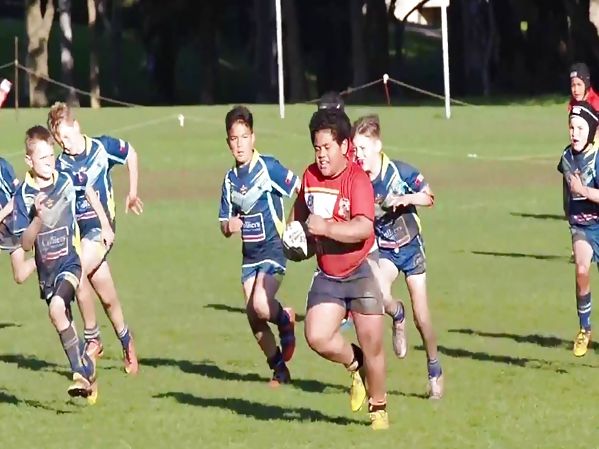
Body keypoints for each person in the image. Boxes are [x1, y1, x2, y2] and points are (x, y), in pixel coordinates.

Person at [291, 108, 388, 430]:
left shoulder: (357, 180)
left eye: (327, 148)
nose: (321, 155)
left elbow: (363, 227)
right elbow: (300, 218)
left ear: (344, 146)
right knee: (317, 336)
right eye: (316, 148)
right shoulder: (309, 177)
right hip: (328, 273)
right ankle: (354, 363)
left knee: (373, 344)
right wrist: (296, 241)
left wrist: (327, 228)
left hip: (360, 269)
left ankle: (379, 410)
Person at [352, 114, 443, 399]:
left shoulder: (399, 172)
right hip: (386, 250)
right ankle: (397, 314)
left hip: (411, 248)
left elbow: (429, 197)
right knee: (378, 295)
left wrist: (405, 199)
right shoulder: (358, 179)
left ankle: (434, 369)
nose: (359, 155)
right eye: (356, 149)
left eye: (363, 148)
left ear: (377, 146)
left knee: (423, 318)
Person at [47, 102, 141, 374]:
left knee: (76, 272)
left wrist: (132, 192)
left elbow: (131, 153)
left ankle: (93, 338)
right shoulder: (60, 165)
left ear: (77, 126)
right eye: (60, 140)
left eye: (67, 136)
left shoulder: (102, 148)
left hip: (101, 230)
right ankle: (126, 340)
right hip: (80, 236)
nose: (65, 144)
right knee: (108, 297)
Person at [12, 126, 99, 402]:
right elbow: (26, 244)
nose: (49, 162)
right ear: (29, 161)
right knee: (61, 319)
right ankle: (87, 371)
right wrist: (38, 219)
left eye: (51, 156)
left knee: (56, 308)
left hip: (70, 263)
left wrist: (104, 225)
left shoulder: (66, 179)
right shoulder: (24, 195)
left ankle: (79, 373)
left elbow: (89, 189)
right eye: (42, 158)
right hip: (46, 273)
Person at [218, 105, 298, 386]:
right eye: (234, 139)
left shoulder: (269, 167)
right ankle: (279, 368)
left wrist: (292, 225)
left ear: (253, 137)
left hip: (274, 249)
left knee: (262, 305)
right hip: (249, 257)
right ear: (228, 142)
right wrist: (229, 226)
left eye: (244, 137)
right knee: (253, 316)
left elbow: (301, 189)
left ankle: (285, 320)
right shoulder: (229, 180)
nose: (240, 144)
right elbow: (223, 223)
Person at [558, 101, 599, 357]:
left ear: (591, 131)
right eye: (572, 127)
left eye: (581, 128)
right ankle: (585, 329)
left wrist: (582, 190)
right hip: (581, 225)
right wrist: (567, 213)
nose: (575, 133)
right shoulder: (566, 156)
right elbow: (566, 188)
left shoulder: (598, 158)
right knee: (581, 271)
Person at [0, 157, 36, 283]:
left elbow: (18, 196)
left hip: (15, 223)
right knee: (19, 276)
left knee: (20, 276)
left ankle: (46, 257)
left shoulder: (2, 167)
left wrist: (2, 215)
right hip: (4, 229)